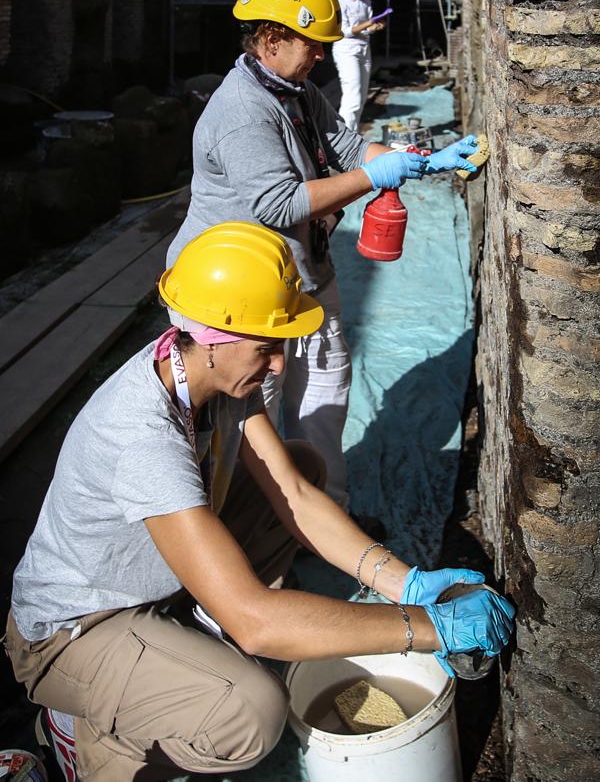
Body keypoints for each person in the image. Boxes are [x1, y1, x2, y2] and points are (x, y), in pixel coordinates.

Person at [4, 221, 515, 782]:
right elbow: (254, 623)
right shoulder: (142, 437)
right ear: (215, 339)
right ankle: (87, 738)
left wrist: (404, 581)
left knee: (300, 464)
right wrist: (425, 627)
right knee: (249, 711)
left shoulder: (210, 378)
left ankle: (182, 646)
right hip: (75, 631)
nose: (278, 366)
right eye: (266, 349)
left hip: (152, 585)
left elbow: (292, 492)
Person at [166, 0, 478, 527]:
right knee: (243, 430)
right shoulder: (242, 111)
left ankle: (328, 517)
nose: (320, 56)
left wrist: (425, 162)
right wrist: (371, 180)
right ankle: (240, 542)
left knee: (324, 403)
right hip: (234, 299)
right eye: (312, 45)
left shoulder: (298, 90)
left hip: (301, 273)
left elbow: (346, 143)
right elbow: (279, 204)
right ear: (270, 39)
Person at [332, 0, 384, 131]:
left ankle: (353, 135)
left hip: (363, 47)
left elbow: (367, 28)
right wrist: (368, 24)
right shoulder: (338, 0)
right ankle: (344, 138)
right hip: (346, 49)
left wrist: (375, 27)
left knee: (361, 97)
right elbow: (343, 31)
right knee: (352, 96)